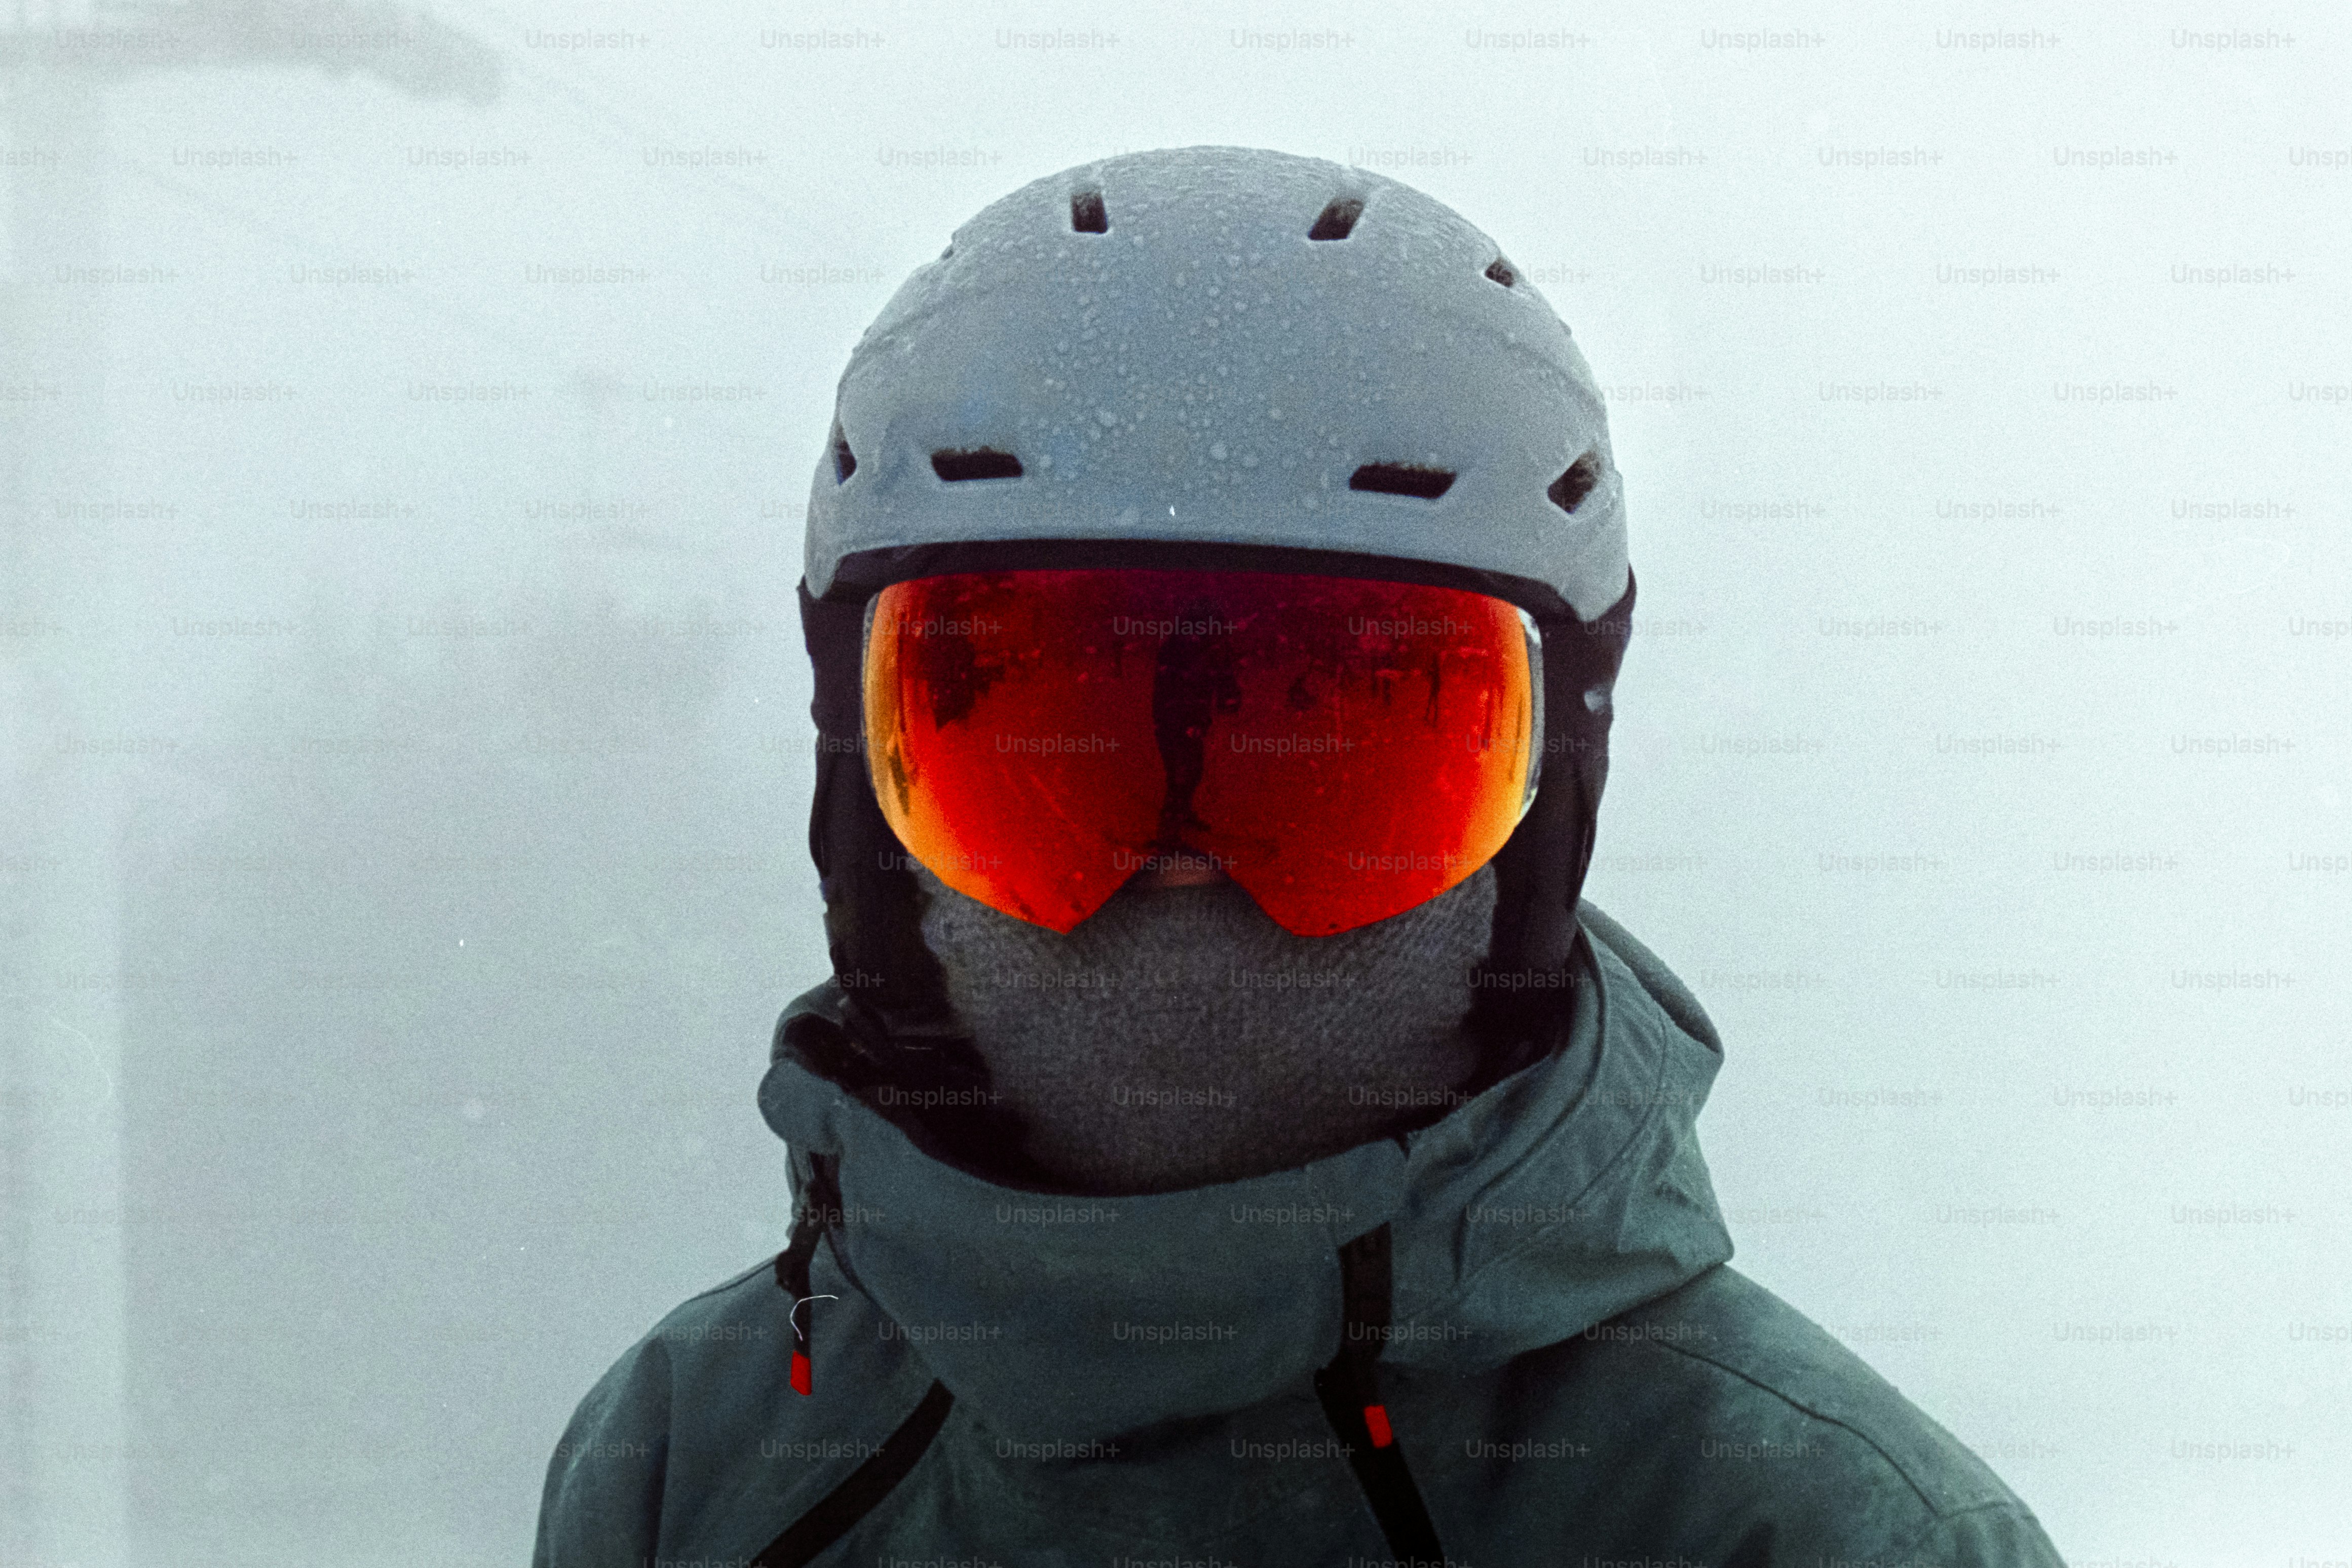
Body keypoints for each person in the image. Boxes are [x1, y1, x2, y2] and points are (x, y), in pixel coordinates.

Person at [534, 145, 2066, 1566]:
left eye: (1332, 747)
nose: (1183, 869)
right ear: (865, 810)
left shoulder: (1791, 1527)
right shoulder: (694, 1448)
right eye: (1044, 743)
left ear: (1539, 810)